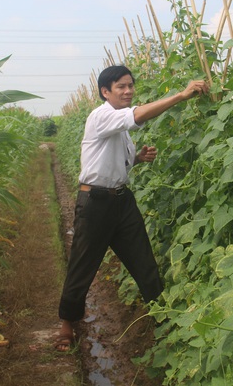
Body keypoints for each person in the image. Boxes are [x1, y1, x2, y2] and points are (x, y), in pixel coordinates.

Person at [55, 65, 209, 351]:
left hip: (121, 201)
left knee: (143, 261)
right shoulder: (101, 116)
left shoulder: (119, 129)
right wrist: (181, 95)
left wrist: (136, 159)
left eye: (130, 86)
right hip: (95, 204)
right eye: (121, 87)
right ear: (105, 92)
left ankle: (163, 321)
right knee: (83, 265)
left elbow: (114, 164)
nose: (128, 91)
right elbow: (136, 115)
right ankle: (66, 325)